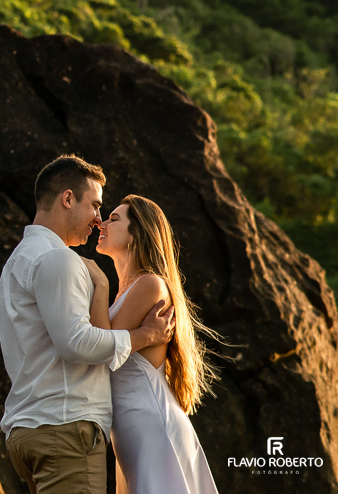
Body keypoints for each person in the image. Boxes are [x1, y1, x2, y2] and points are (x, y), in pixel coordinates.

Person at [0, 155, 175, 494]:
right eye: (95, 206)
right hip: (64, 430)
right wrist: (142, 335)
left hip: (29, 429)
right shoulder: (58, 258)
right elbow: (74, 342)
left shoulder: (16, 261)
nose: (97, 219)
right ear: (67, 199)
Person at [90, 194, 221, 494]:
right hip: (133, 423)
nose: (102, 223)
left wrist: (99, 283)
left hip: (148, 423)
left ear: (136, 235)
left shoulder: (149, 284)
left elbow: (101, 349)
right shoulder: (129, 291)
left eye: (114, 219)